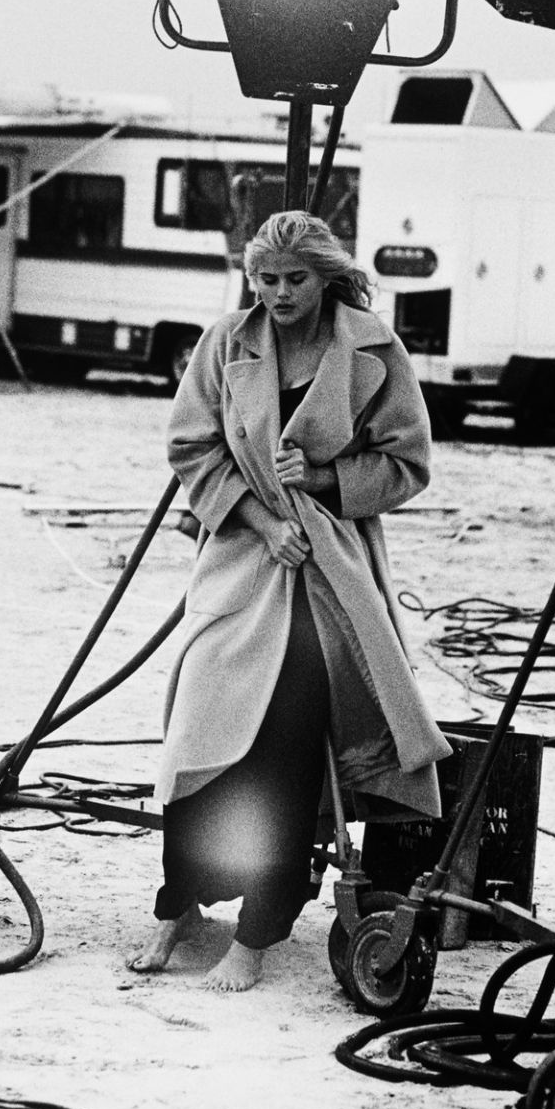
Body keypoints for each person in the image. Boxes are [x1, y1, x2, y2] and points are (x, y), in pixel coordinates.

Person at [128, 210, 451, 992]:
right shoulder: (224, 342)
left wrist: (329, 482)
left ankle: (257, 936)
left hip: (330, 578)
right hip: (244, 563)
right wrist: (263, 520)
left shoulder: (373, 346)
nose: (276, 293)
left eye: (294, 279)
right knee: (195, 746)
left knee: (286, 761)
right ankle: (182, 906)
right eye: (264, 279)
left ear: (325, 276)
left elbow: (407, 464)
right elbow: (190, 447)